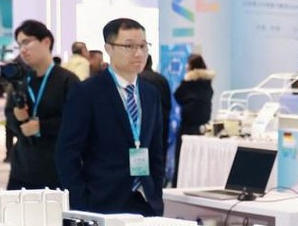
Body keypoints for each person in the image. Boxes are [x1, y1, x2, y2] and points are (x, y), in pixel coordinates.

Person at [56, 18, 165, 216]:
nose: (138, 53)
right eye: (129, 46)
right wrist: (80, 202)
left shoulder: (151, 93)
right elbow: (67, 152)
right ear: (109, 48)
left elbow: (157, 150)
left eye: (143, 46)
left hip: (146, 201)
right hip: (101, 202)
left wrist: (156, 192)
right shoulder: (87, 92)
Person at [5, 20, 80, 190]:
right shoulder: (20, 81)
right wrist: (17, 119)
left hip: (57, 171)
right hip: (22, 169)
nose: (23, 49)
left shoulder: (67, 80)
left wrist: (42, 127)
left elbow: (77, 122)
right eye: (19, 45)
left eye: (27, 42)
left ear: (46, 42)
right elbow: (9, 117)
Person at [173, 54, 215, 185]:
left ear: (192, 66)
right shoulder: (207, 83)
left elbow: (177, 95)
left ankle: (179, 184)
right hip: (203, 127)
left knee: (182, 158)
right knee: (200, 161)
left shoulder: (188, 83)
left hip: (187, 126)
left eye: (188, 64)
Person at [140, 54, 173, 165]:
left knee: (144, 154)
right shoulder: (162, 79)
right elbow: (169, 102)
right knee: (160, 153)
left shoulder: (139, 79)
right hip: (163, 120)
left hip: (144, 122)